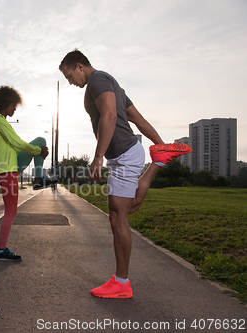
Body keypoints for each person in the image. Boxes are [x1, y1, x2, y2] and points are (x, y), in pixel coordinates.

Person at [59, 49, 191, 299]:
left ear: (79, 66)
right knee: (124, 210)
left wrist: (98, 156)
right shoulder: (111, 83)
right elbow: (138, 119)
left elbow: (110, 115)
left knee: (118, 217)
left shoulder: (97, 81)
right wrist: (161, 145)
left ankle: (121, 283)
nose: (70, 83)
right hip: (126, 154)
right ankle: (158, 162)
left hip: (123, 154)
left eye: (69, 76)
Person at [0, 85, 51, 261]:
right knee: (11, 211)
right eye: (13, 106)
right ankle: (1, 250)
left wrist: (37, 150)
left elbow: (15, 145)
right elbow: (16, 142)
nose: (14, 109)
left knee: (41, 140)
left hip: (12, 165)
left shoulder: (1, 121)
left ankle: (38, 177)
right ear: (6, 103)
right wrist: (37, 151)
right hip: (7, 169)